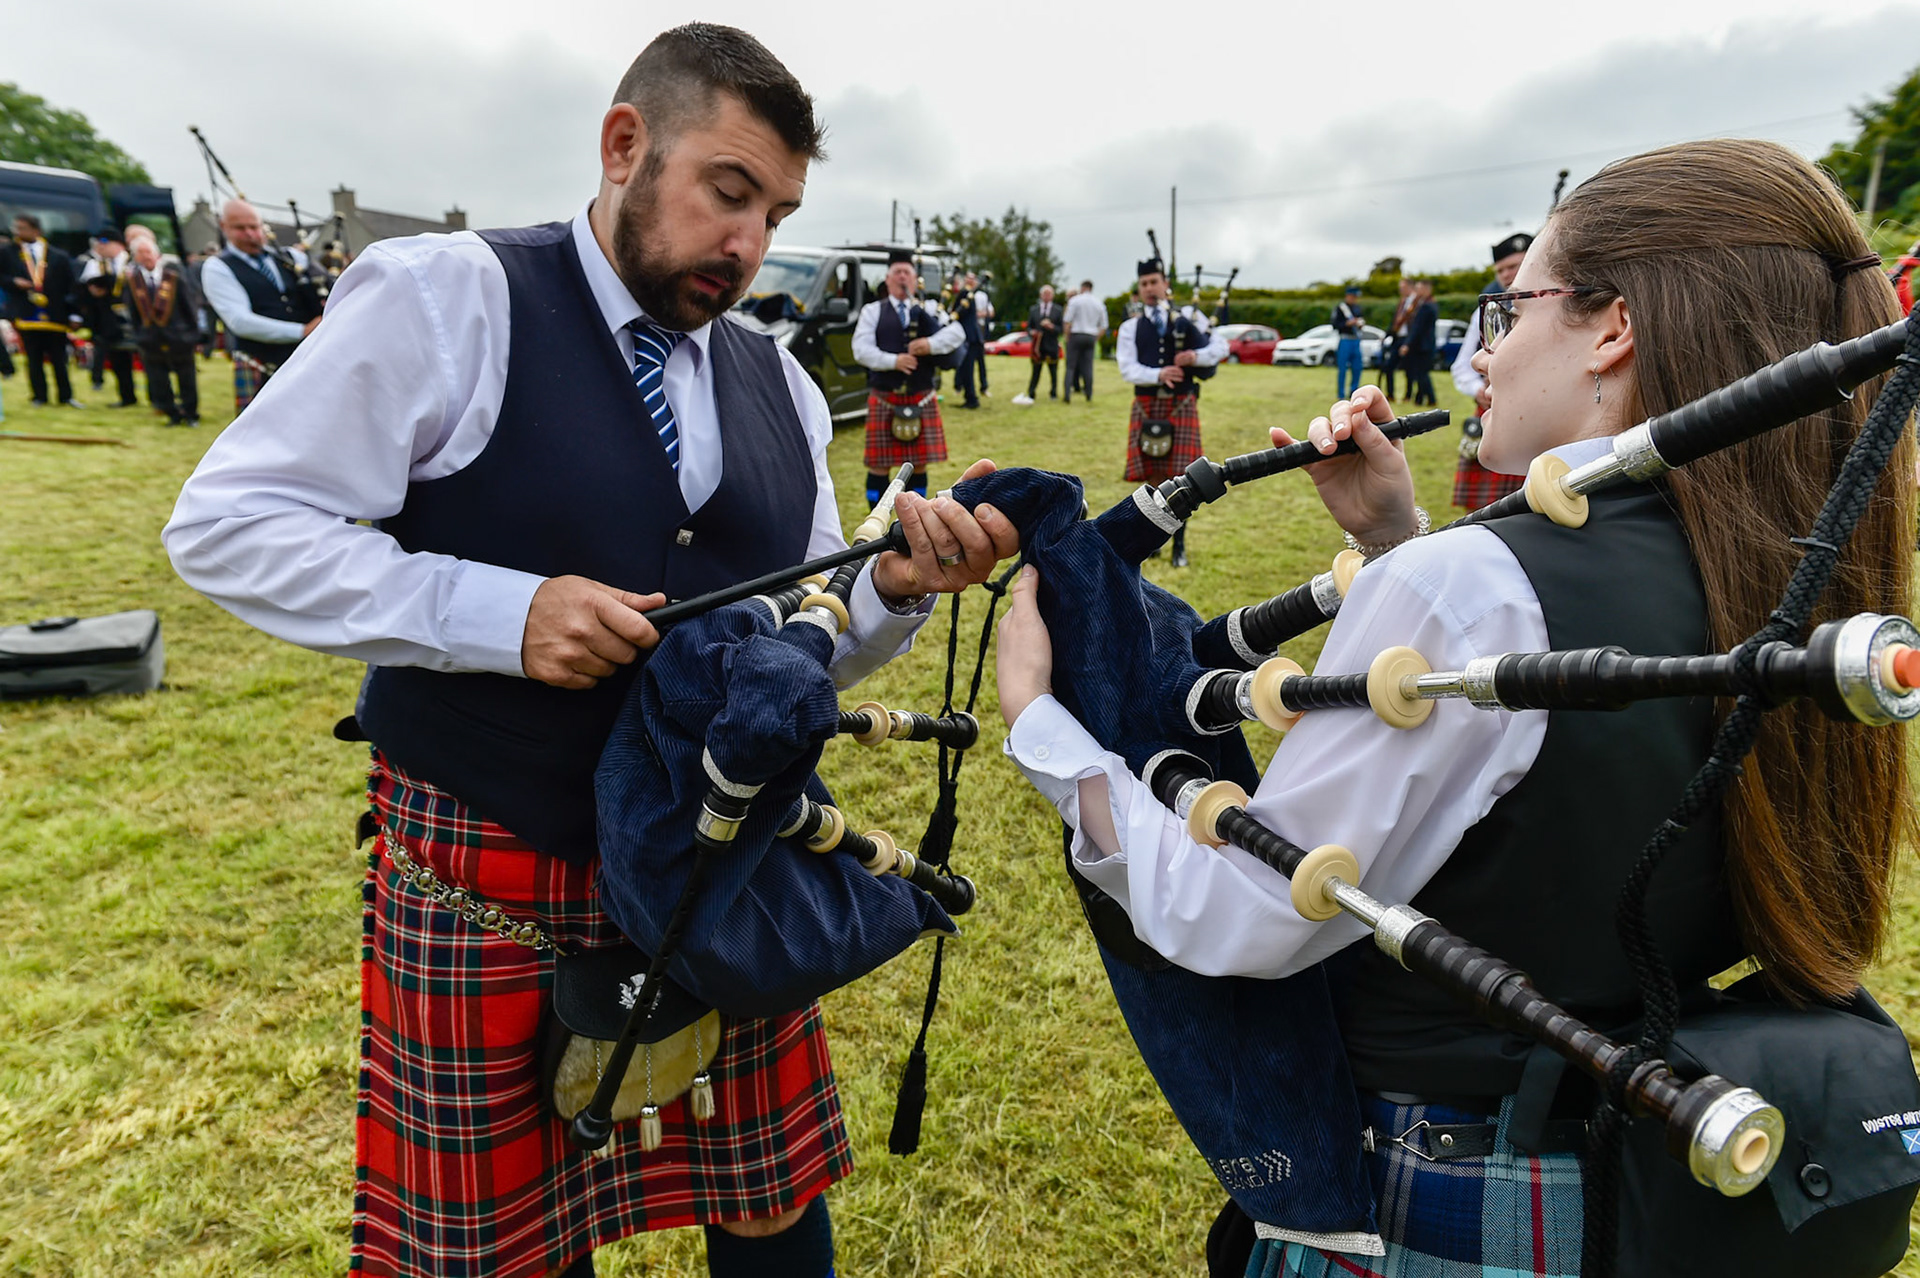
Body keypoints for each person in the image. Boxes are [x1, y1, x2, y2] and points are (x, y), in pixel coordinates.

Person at [163, 25, 1018, 1278]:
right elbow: (228, 525)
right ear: (626, 145)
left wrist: (885, 587)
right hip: (494, 864)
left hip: (723, 856)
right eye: (728, 193)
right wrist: (494, 615)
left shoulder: (778, 381)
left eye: (775, 212)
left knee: (770, 1201)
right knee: (504, 1247)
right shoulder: (443, 297)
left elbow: (803, 644)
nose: (749, 245)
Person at [993, 138, 1914, 1277]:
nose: (1487, 352)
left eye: (1511, 308)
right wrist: (1393, 542)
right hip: (1646, 1179)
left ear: (1612, 327)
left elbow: (1242, 918)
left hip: (1438, 1186)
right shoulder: (1792, 563)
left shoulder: (1466, 591)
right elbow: (1547, 741)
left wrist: (1041, 723)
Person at [1114, 250, 1226, 568]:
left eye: (1154, 282)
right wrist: (1159, 374)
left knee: (1184, 477)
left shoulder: (1189, 318)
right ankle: (1153, 542)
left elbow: (1219, 346)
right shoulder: (1130, 327)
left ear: (1165, 284)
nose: (1149, 288)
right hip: (1148, 406)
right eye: (1144, 283)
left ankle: (1180, 545)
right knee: (1153, 477)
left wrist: (1195, 357)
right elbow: (1127, 369)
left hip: (1182, 405)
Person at [854, 250, 967, 503]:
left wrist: (930, 344)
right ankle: (875, 515)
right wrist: (893, 361)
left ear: (916, 280)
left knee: (919, 464)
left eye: (907, 272)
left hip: (921, 396)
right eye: (897, 272)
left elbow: (957, 332)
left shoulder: (930, 308)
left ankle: (913, 517)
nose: (902, 277)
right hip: (885, 397)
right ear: (888, 279)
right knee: (879, 466)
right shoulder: (873, 311)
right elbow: (860, 350)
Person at [200, 199, 324, 412]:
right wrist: (302, 331)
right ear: (224, 227)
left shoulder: (291, 257)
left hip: (308, 357)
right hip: (260, 362)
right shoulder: (217, 267)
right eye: (240, 228)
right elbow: (240, 321)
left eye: (254, 226)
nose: (249, 233)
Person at [1449, 232, 1534, 507]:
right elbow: (1463, 366)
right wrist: (1478, 390)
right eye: (1501, 270)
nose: (1507, 275)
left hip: (1538, 413)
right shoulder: (1487, 310)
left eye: (1515, 266)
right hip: (1493, 410)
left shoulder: (1557, 305)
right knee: (1486, 508)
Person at [1, 214, 79, 406]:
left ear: (36, 230)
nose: (18, 232)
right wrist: (13, 282)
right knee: (34, 358)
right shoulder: (7, 252)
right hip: (26, 312)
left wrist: (74, 313)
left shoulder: (58, 255)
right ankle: (39, 396)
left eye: (23, 228)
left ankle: (66, 396)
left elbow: (71, 286)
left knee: (59, 359)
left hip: (55, 314)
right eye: (16, 228)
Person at [128, 233, 203, 426]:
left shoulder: (174, 277)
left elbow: (189, 306)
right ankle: (171, 413)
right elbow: (133, 313)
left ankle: (190, 412)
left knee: (186, 377)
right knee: (158, 379)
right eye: (141, 253)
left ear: (157, 254)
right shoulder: (133, 282)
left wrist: (193, 333)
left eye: (148, 252)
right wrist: (139, 336)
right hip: (150, 339)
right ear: (135, 257)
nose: (146, 256)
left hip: (179, 336)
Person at [78, 227, 140, 408]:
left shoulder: (132, 261)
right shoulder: (94, 265)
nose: (100, 248)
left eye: (104, 243)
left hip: (134, 316)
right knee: (118, 357)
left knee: (146, 355)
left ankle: (157, 398)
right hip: (108, 318)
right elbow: (83, 289)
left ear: (118, 244)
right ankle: (127, 396)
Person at [1014, 283, 1065, 403]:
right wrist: (1032, 332)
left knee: (1053, 371)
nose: (1046, 296)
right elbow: (1028, 327)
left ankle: (1053, 393)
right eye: (1044, 294)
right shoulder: (1034, 310)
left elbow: (1061, 329)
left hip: (1052, 345)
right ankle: (1031, 393)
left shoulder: (1058, 310)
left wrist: (1051, 326)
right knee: (1036, 371)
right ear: (1041, 295)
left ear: (1052, 296)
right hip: (1038, 346)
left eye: (1049, 294)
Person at [945, 268, 983, 410]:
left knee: (967, 369)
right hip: (971, 336)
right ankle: (970, 397)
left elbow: (958, 314)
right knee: (966, 369)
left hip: (968, 337)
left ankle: (972, 400)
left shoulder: (965, 294)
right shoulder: (967, 293)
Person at [1063, 279, 1104, 402]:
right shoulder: (1099, 303)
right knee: (1088, 367)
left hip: (1076, 334)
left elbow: (1067, 320)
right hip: (1091, 335)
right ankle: (1089, 394)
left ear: (1082, 288)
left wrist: (1067, 337)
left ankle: (1067, 395)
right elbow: (1103, 326)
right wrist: (1095, 338)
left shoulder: (1075, 301)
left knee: (1070, 366)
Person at [1398, 279, 1438, 405]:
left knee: (1422, 374)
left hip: (1423, 346)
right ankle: (1419, 399)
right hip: (1424, 345)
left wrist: (1407, 344)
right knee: (1421, 373)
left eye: (1419, 288)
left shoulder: (1426, 306)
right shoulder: (1428, 304)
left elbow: (1417, 327)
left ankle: (1431, 399)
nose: (1416, 291)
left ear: (1426, 289)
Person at [1375, 277, 1413, 399]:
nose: (1400, 290)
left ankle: (1408, 395)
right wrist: (1386, 336)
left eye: (1403, 287)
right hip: (1398, 339)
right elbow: (1394, 323)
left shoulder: (1416, 303)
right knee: (1388, 366)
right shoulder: (1402, 303)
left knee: (1409, 369)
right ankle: (1390, 394)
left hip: (1408, 340)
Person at [1331, 283, 1365, 400]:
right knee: (1342, 368)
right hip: (1345, 339)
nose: (1354, 299)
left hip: (1356, 340)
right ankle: (1341, 394)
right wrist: (1347, 324)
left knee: (1357, 368)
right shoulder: (1341, 308)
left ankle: (1353, 392)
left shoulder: (1357, 308)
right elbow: (1335, 325)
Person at [972, 270, 993, 395]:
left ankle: (983, 387)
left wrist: (980, 314)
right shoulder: (965, 293)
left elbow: (991, 312)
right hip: (967, 330)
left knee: (981, 360)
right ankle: (960, 386)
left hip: (980, 328)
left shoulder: (982, 295)